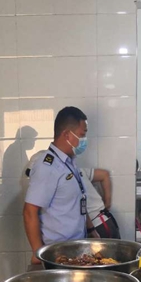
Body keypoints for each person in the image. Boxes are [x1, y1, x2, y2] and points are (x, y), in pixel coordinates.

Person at [23, 107, 99, 264]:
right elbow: (29, 211)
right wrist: (38, 253)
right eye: (82, 135)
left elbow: (77, 202)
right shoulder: (47, 166)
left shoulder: (69, 162)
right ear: (66, 135)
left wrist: (91, 230)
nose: (84, 140)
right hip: (58, 254)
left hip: (77, 249)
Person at [25, 154, 120, 238]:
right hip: (104, 221)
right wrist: (107, 203)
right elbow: (104, 175)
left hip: (97, 226)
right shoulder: (75, 170)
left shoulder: (60, 181)